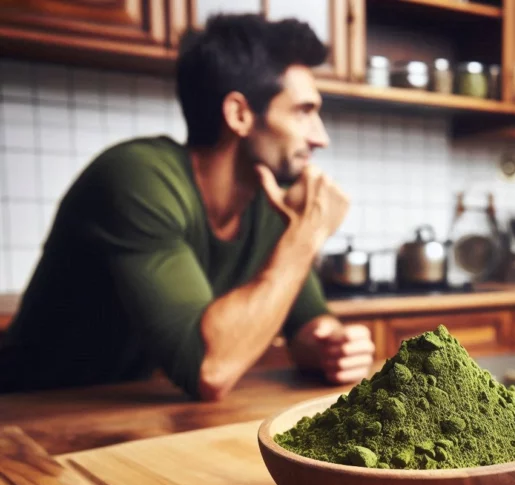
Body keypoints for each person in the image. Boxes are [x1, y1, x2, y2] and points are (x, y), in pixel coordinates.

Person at [0, 14, 375, 400]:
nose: (321, 137)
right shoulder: (136, 177)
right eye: (303, 111)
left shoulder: (268, 203)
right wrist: (306, 235)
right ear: (239, 114)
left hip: (126, 412)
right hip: (25, 414)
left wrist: (332, 346)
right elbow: (210, 370)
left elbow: (307, 324)